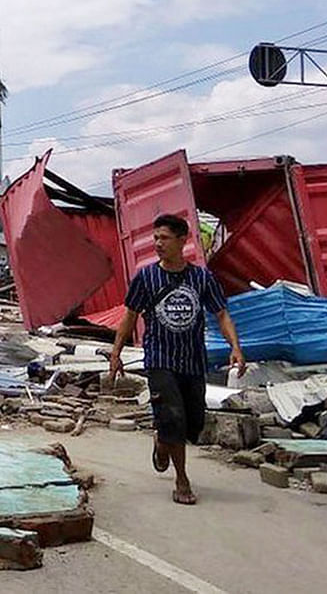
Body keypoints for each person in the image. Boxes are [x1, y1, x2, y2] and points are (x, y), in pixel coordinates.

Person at [108, 213, 245, 505]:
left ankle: (162, 442)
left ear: (182, 240)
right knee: (173, 417)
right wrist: (116, 352)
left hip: (193, 360)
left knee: (193, 423)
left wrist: (235, 347)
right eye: (155, 238)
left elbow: (221, 313)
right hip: (160, 358)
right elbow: (130, 316)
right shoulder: (146, 277)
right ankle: (182, 479)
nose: (158, 243)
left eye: (164, 238)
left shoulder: (201, 278)